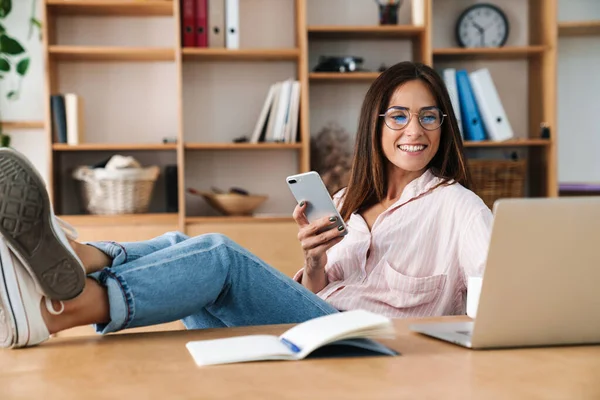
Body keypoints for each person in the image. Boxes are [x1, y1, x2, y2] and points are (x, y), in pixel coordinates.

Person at [0, 61, 492, 349]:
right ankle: (81, 257)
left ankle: (56, 312)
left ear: (443, 126)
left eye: (430, 117)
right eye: (399, 116)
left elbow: (498, 308)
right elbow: (322, 291)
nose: (415, 130)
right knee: (182, 248)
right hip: (314, 326)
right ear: (375, 125)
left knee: (218, 258)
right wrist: (314, 262)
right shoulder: (346, 201)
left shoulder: (460, 208)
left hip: (366, 347)